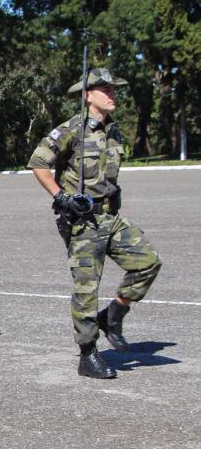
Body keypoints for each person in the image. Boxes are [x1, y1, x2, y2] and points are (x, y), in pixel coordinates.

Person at [28, 67, 162, 379]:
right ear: (88, 95)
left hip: (111, 216)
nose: (113, 95)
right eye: (106, 90)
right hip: (83, 220)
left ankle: (113, 314)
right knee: (87, 287)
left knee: (148, 262)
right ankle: (88, 354)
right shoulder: (71, 129)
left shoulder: (113, 131)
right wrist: (62, 197)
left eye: (114, 90)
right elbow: (38, 162)